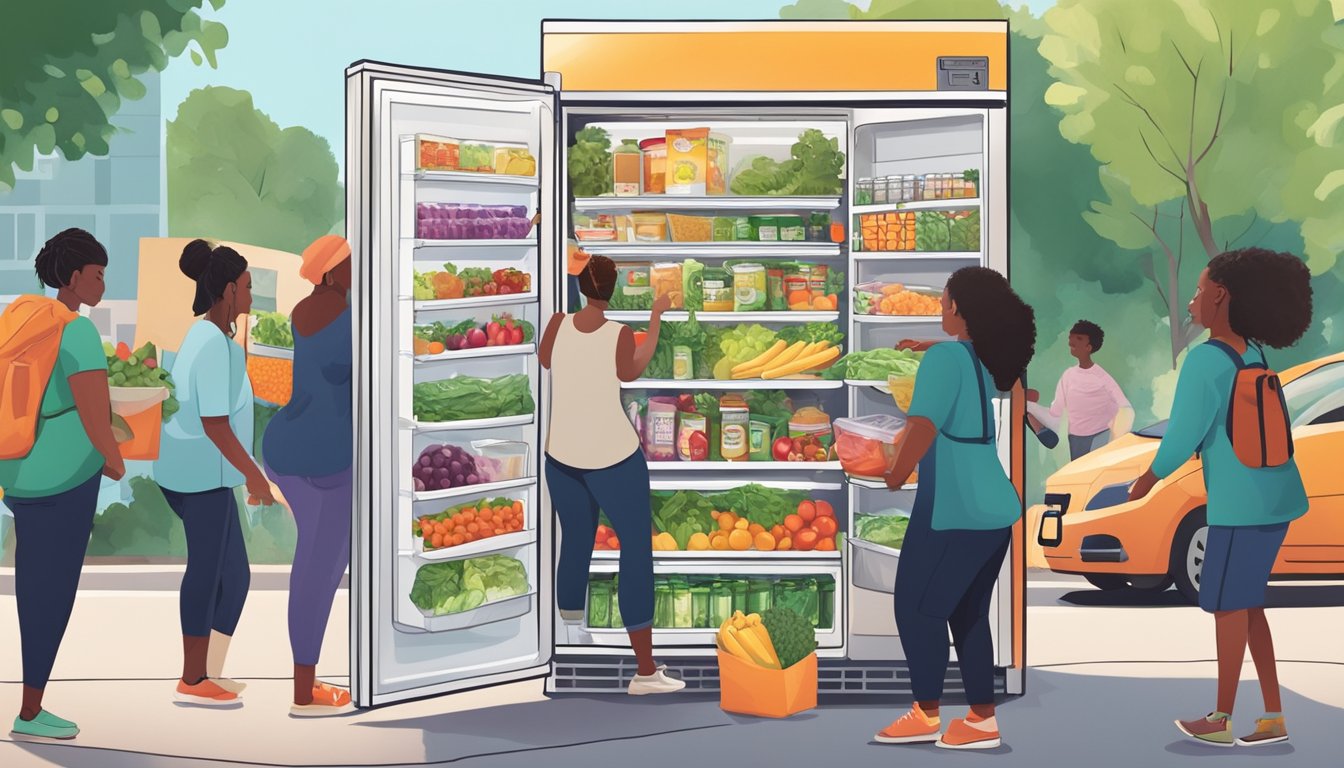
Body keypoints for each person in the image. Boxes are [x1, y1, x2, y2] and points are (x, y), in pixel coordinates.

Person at [1128, 248, 1312, 747]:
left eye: (1198, 289)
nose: (1191, 300)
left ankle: (1221, 718)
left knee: (1229, 608)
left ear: (1220, 296)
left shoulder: (1208, 359)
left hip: (1238, 505)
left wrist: (1147, 478)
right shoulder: (1252, 352)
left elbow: (1184, 433)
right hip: (1275, 499)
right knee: (1251, 607)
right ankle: (1272, 715)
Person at [876, 266, 1035, 750]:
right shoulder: (984, 358)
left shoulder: (947, 361)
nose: (940, 309)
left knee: (915, 608)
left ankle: (926, 713)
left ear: (960, 309)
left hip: (952, 508)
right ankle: (982, 721)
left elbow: (921, 427)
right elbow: (965, 362)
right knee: (968, 614)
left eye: (944, 303)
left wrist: (894, 475)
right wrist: (926, 349)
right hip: (994, 509)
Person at [539, 254, 684, 696]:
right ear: (613, 288)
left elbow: (546, 360)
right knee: (636, 551)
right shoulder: (618, 333)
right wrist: (656, 317)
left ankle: (567, 638)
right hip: (613, 458)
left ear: (582, 285)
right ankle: (644, 671)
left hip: (561, 458)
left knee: (577, 541)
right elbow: (632, 368)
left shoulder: (557, 323)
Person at [0, 230, 124, 741]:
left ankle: (30, 704)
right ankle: (30, 712)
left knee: (33, 586)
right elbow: (97, 417)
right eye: (97, 274)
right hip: (65, 480)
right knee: (53, 592)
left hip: (20, 473)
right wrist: (115, 461)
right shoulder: (77, 333)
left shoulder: (24, 319)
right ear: (74, 277)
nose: (102, 283)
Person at [156, 239, 274, 707]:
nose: (250, 295)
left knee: (237, 576)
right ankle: (192, 678)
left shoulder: (213, 338)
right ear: (228, 290)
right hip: (199, 475)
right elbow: (214, 423)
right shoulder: (211, 344)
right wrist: (254, 475)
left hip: (209, 474)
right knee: (207, 572)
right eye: (247, 287)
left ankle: (209, 673)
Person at [262, 235, 354, 717]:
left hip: (284, 445)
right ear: (335, 272)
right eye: (352, 264)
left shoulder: (304, 310)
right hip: (327, 460)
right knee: (319, 569)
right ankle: (304, 692)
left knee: (320, 561)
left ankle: (310, 678)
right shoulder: (351, 318)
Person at [1027, 320, 1132, 461]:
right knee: (1079, 475)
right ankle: (1033, 420)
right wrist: (1033, 410)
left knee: (1095, 472)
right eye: (1072, 337)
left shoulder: (1101, 377)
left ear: (1089, 347)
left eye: (1079, 338)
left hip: (1100, 435)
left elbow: (1125, 407)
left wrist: (1115, 437)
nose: (1072, 341)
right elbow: (1056, 410)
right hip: (1076, 437)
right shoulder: (1068, 376)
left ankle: (1034, 420)